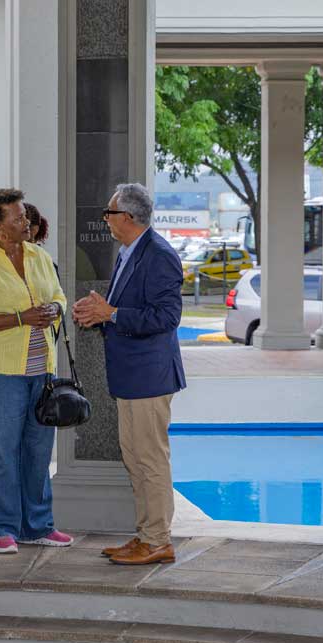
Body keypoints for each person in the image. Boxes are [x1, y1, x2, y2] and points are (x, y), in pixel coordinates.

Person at [73, 183, 186, 566]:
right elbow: (125, 309)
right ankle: (146, 535)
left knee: (150, 460)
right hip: (132, 376)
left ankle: (158, 540)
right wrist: (101, 311)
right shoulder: (129, 252)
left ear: (127, 217)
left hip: (150, 377)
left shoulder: (159, 255)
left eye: (109, 213)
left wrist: (112, 314)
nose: (105, 220)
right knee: (135, 457)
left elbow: (167, 317)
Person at [0, 188, 72, 554]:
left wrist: (55, 309)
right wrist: (21, 318)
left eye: (26, 216)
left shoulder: (39, 256)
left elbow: (59, 296)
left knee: (38, 451)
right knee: (1, 453)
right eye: (18, 217)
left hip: (42, 371)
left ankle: (37, 525)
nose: (27, 222)